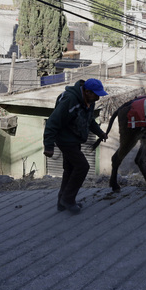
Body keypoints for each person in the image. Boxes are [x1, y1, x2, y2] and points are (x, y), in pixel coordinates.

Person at [43, 78, 109, 214]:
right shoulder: (70, 100)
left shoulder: (88, 102)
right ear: (87, 91)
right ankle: (68, 199)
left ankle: (62, 202)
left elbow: (90, 121)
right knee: (82, 166)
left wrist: (100, 133)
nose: (98, 97)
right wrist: (48, 146)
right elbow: (52, 122)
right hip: (65, 139)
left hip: (74, 138)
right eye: (96, 94)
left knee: (70, 169)